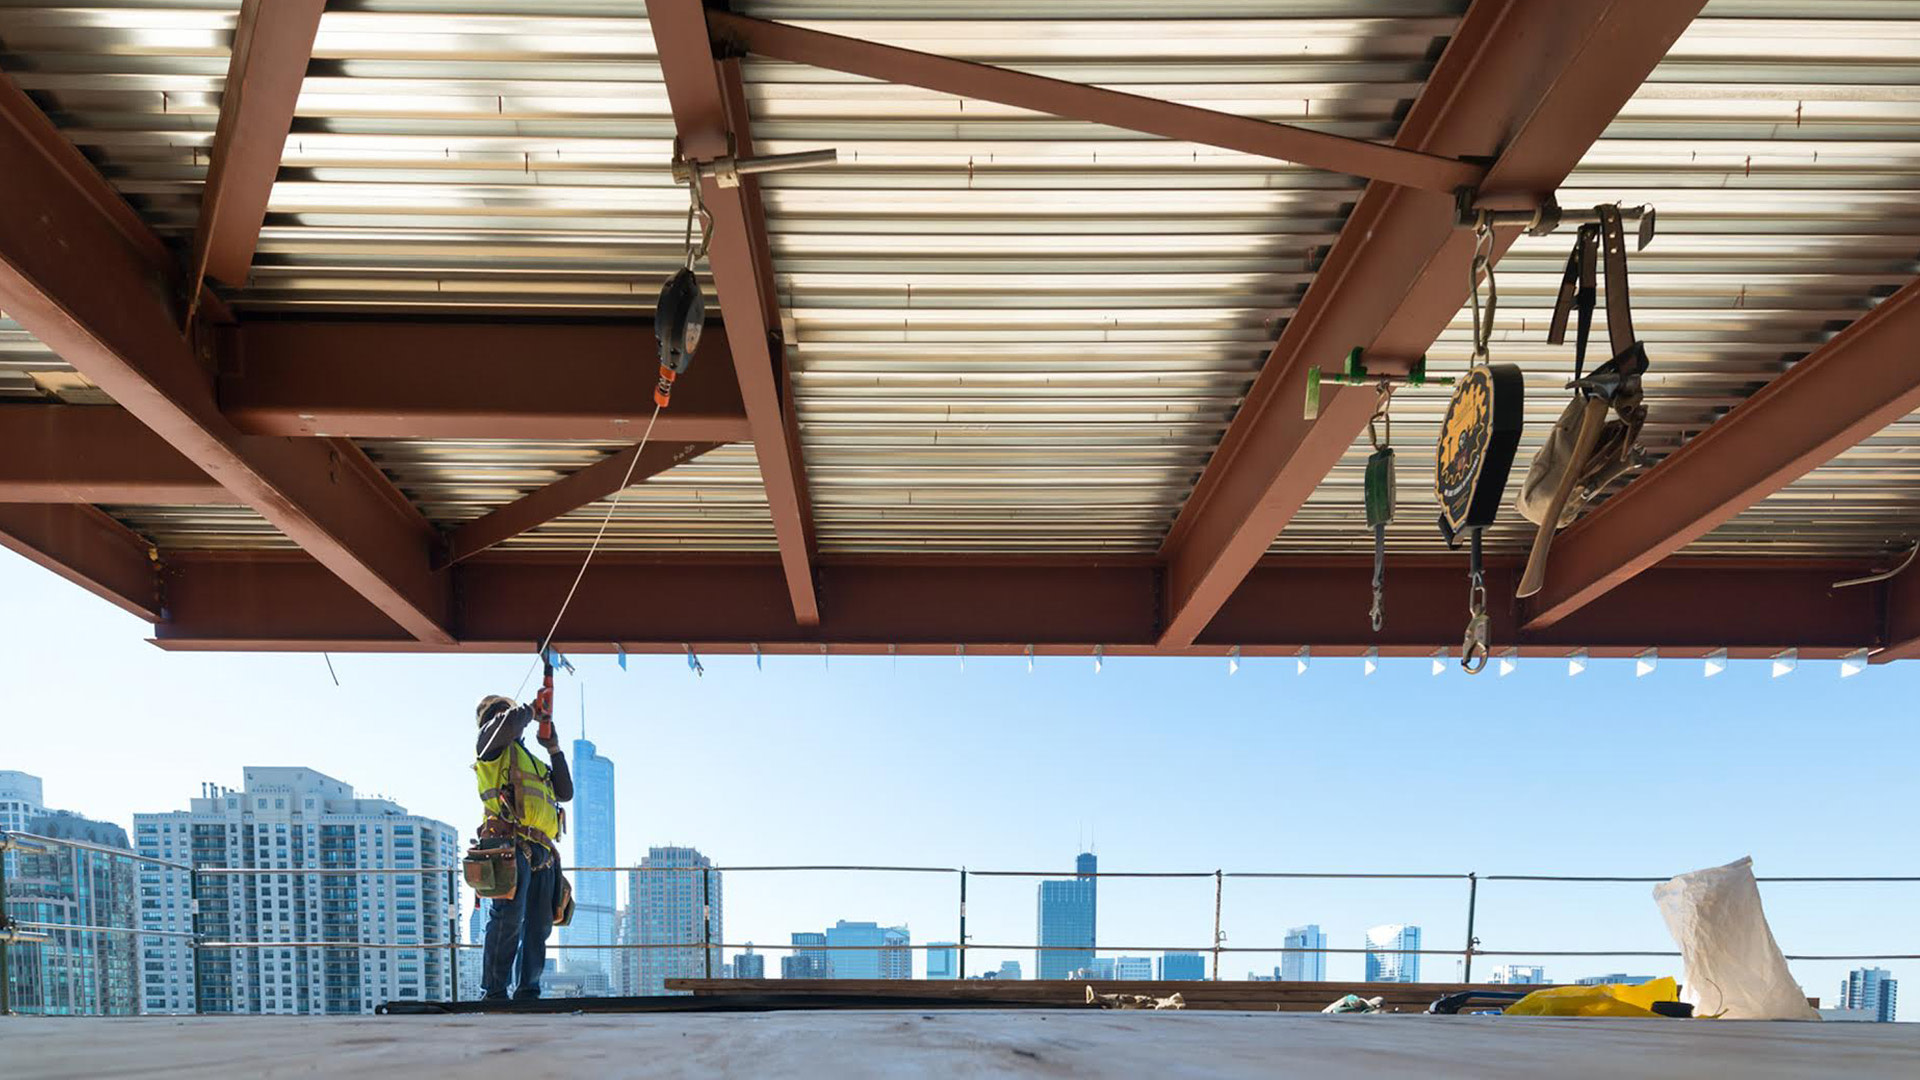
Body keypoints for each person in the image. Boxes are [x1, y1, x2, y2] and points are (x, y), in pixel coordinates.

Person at [474, 687, 572, 1000]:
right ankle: (495, 992)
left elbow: (565, 791)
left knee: (539, 926)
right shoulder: (490, 750)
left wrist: (553, 748)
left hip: (542, 852)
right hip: (508, 846)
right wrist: (532, 709)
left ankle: (528, 991)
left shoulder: (532, 762)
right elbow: (506, 725)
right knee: (508, 919)